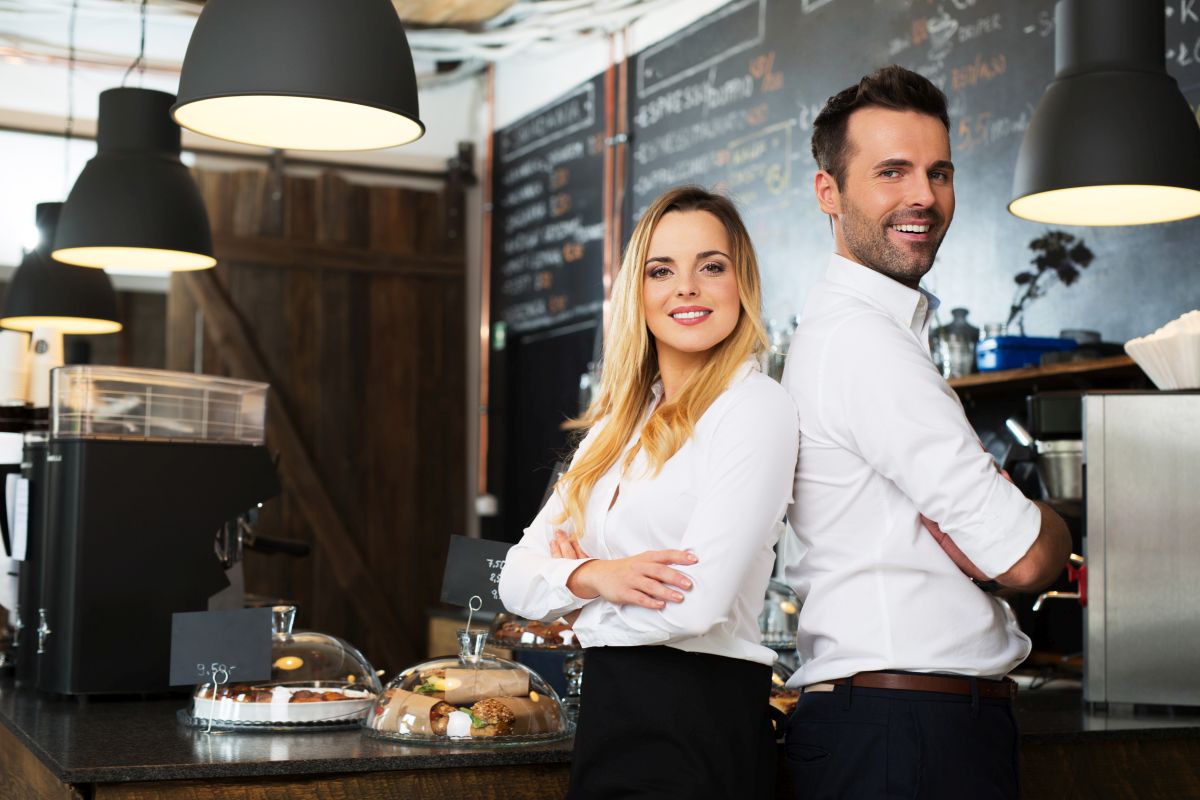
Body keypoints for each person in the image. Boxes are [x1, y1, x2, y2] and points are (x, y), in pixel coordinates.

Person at [780, 65, 1071, 799]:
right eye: (892, 172)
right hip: (907, 739)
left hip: (897, 732)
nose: (924, 196)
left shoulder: (862, 332)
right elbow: (1030, 562)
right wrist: (1054, 527)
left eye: (939, 173)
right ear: (829, 193)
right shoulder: (864, 342)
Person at [499, 186, 799, 800]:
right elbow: (512, 579)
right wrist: (597, 577)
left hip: (702, 724)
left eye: (711, 267)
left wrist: (576, 602)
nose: (685, 288)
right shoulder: (615, 426)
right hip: (612, 721)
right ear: (638, 291)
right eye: (661, 270)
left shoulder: (754, 407)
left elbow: (695, 608)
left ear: (741, 283)